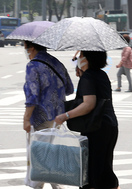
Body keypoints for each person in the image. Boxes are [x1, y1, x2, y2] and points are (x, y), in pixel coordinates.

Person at [55, 51, 120, 189]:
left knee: (92, 172)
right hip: (109, 125)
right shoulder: (101, 74)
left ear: (88, 58)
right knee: (104, 167)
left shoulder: (89, 77)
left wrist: (64, 116)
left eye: (81, 55)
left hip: (97, 128)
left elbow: (88, 104)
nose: (78, 58)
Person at [23, 40, 74, 189]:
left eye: (25, 47)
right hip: (57, 116)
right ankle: (55, 186)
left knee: (40, 156)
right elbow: (70, 89)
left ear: (31, 48)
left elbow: (32, 96)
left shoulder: (32, 66)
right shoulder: (56, 62)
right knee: (47, 153)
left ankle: (43, 186)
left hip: (41, 117)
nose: (25, 51)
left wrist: (26, 119)